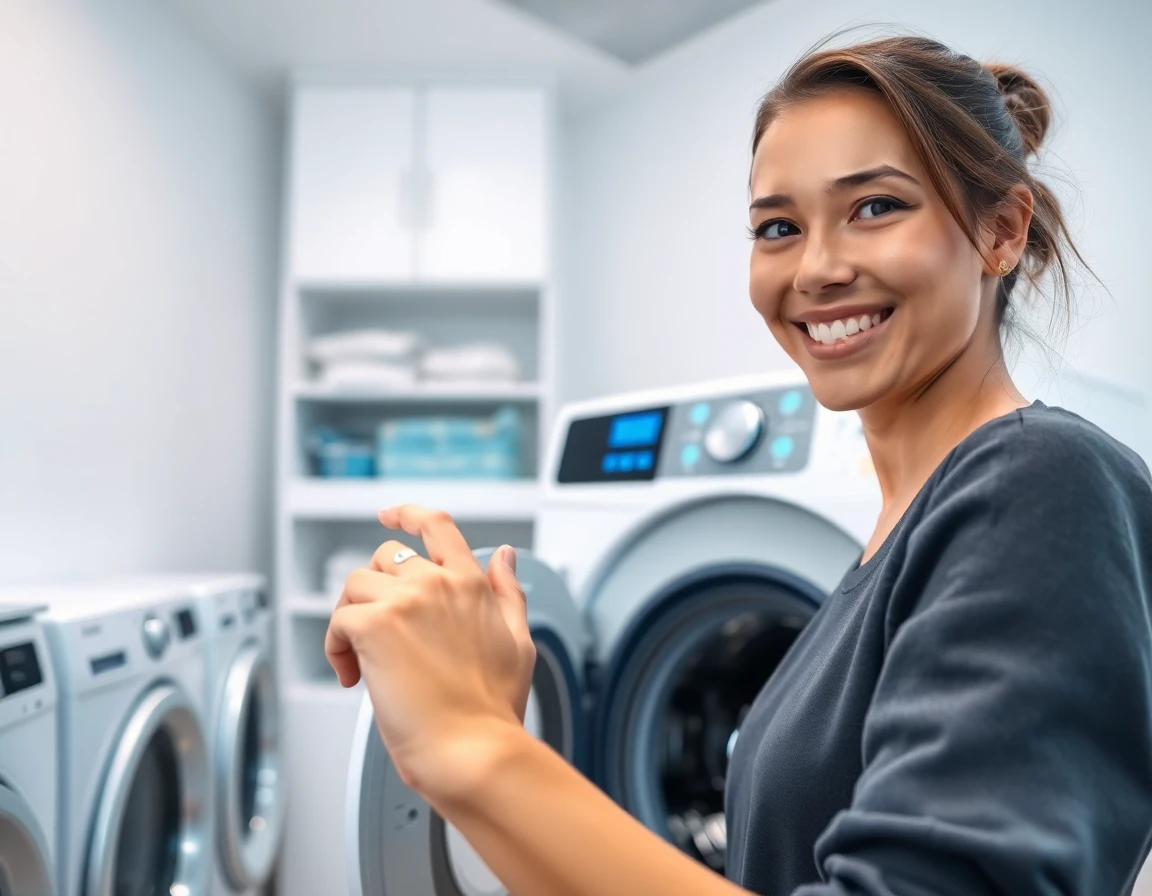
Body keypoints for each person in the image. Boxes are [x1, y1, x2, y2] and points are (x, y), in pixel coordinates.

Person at [324, 32, 1152, 896]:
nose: (820, 268)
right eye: (778, 228)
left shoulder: (1043, 483)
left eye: (876, 207)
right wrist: (489, 729)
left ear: (1001, 231)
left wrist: (471, 745)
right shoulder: (888, 551)